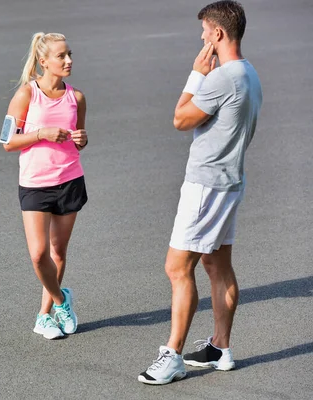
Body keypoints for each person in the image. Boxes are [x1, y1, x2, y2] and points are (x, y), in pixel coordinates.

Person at [138, 1, 262, 384]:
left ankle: (172, 355)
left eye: (205, 32)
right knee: (216, 265)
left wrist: (195, 75)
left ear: (219, 34)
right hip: (229, 182)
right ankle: (219, 348)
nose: (202, 38)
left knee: (177, 267)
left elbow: (180, 118)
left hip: (206, 186)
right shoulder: (249, 73)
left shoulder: (223, 78)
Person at [2, 32, 88, 339]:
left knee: (58, 253)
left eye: (69, 54)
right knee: (39, 255)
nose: (68, 60)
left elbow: (80, 138)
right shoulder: (27, 94)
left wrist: (82, 139)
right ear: (43, 61)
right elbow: (7, 141)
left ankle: (44, 316)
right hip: (36, 185)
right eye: (61, 56)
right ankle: (63, 299)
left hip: (69, 180)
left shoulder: (76, 97)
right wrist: (41, 134)